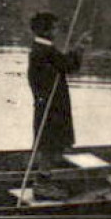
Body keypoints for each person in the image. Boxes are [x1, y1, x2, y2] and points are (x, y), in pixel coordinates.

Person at [27, 11, 88, 166]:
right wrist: (79, 48)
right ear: (46, 31)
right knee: (51, 137)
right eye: (54, 29)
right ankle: (48, 170)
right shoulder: (45, 50)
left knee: (49, 137)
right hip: (52, 104)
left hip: (47, 102)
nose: (56, 32)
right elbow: (68, 65)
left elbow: (63, 64)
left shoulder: (40, 48)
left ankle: (49, 165)